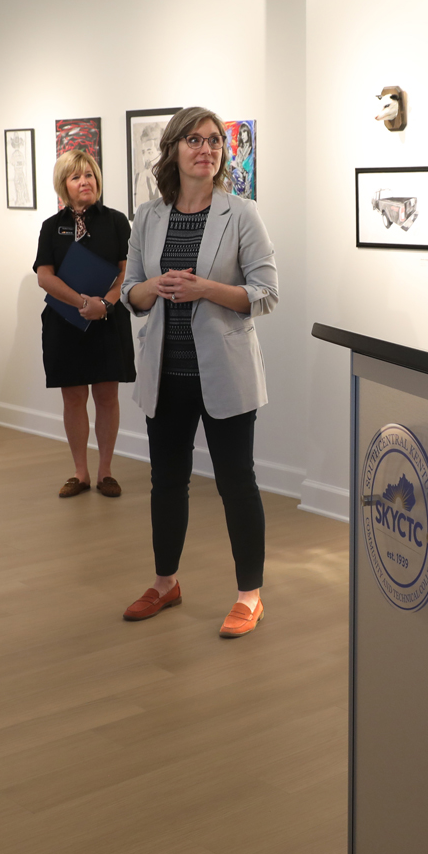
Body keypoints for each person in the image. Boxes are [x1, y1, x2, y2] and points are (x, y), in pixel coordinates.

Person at [120, 106, 278, 639]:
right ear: (174, 151)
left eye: (214, 141)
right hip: (166, 373)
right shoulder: (149, 215)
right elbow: (131, 294)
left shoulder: (242, 213)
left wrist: (204, 289)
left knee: (237, 483)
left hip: (226, 375)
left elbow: (266, 294)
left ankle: (249, 596)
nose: (206, 149)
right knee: (166, 482)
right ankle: (166, 583)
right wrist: (155, 288)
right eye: (194, 140)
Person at [34, 149, 136, 498]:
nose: (85, 182)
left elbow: (128, 273)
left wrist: (104, 305)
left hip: (108, 321)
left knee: (107, 396)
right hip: (66, 322)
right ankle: (81, 473)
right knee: (73, 397)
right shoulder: (51, 227)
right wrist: (81, 303)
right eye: (77, 177)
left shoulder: (117, 221)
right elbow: (44, 277)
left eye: (89, 175)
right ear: (63, 185)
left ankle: (106, 472)